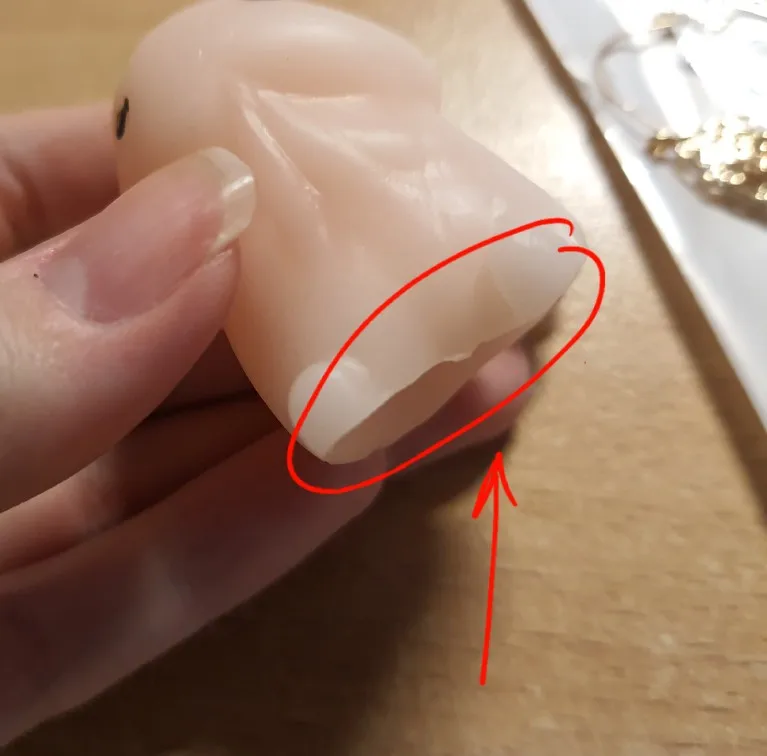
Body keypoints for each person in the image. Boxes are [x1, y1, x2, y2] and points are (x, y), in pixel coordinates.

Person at [0, 103, 533, 744]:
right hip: (326, 272)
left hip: (391, 181)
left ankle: (496, 264)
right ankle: (365, 362)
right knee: (318, 273)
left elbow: (409, 90)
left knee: (390, 229)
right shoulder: (212, 160)